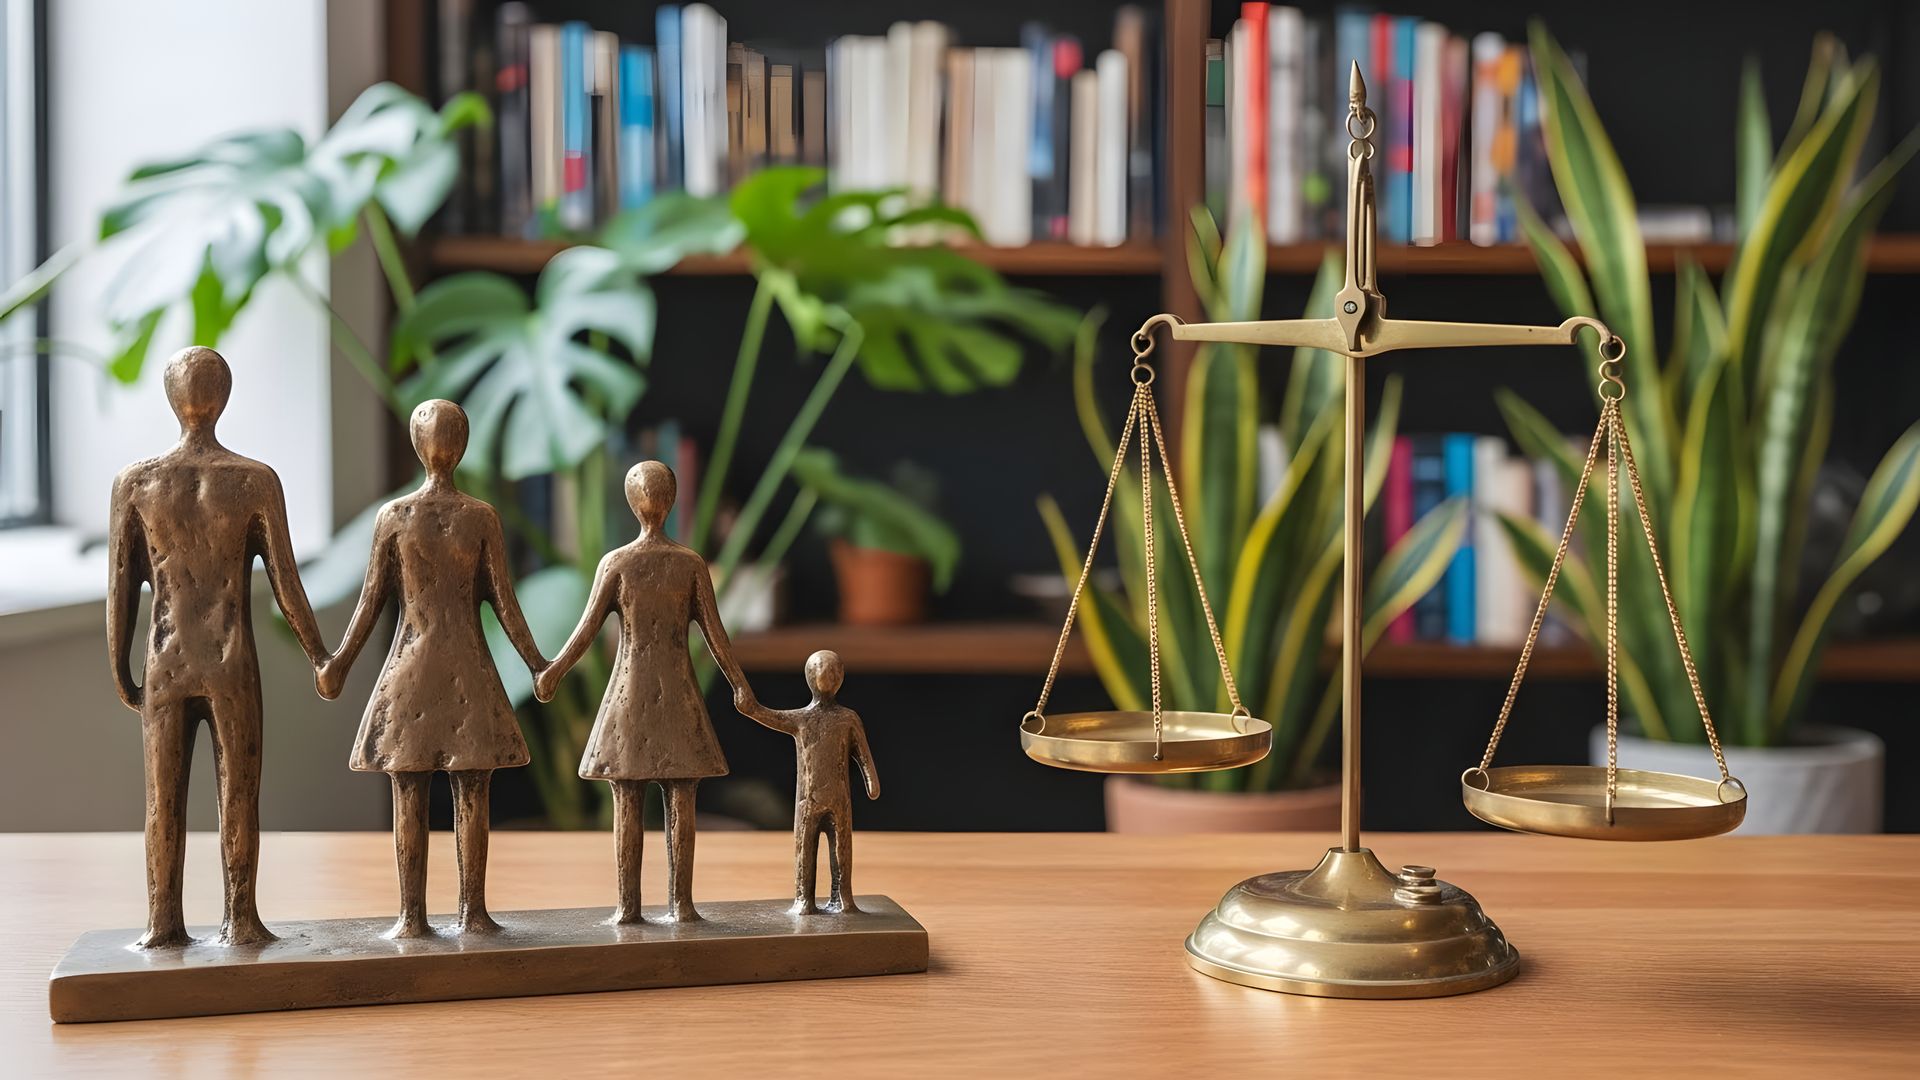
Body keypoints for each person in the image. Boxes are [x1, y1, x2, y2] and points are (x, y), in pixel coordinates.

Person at [108, 346, 328, 947]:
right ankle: (242, 920)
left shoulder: (139, 483)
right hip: (230, 664)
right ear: (222, 398)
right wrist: (320, 656)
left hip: (166, 662)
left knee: (163, 799)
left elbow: (121, 590)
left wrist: (120, 668)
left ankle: (163, 924)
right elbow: (287, 586)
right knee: (240, 794)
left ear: (171, 399)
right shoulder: (254, 482)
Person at [317, 400, 546, 938]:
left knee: (413, 789)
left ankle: (414, 918)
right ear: (458, 446)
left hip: (414, 666)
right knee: (468, 790)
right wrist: (537, 664)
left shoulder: (397, 517)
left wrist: (339, 663)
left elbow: (370, 605)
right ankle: (469, 912)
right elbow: (504, 605)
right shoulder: (478, 517)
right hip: (465, 668)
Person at [536, 461, 755, 924]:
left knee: (628, 798)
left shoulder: (619, 563)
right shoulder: (689, 564)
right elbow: (717, 638)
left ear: (633, 502)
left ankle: (630, 909)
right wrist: (740, 687)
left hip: (631, 691)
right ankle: (680, 905)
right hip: (675, 692)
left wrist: (553, 671)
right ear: (670, 501)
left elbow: (585, 631)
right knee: (680, 798)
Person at [739, 650, 880, 914]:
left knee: (841, 850)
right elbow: (768, 715)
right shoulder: (801, 718)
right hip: (808, 799)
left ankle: (843, 898)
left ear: (840, 678)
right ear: (809, 677)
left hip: (839, 798)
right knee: (805, 849)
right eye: (819, 671)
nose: (825, 677)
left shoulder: (848, 718)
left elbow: (863, 754)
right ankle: (804, 900)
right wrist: (750, 708)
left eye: (831, 672)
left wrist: (871, 779)